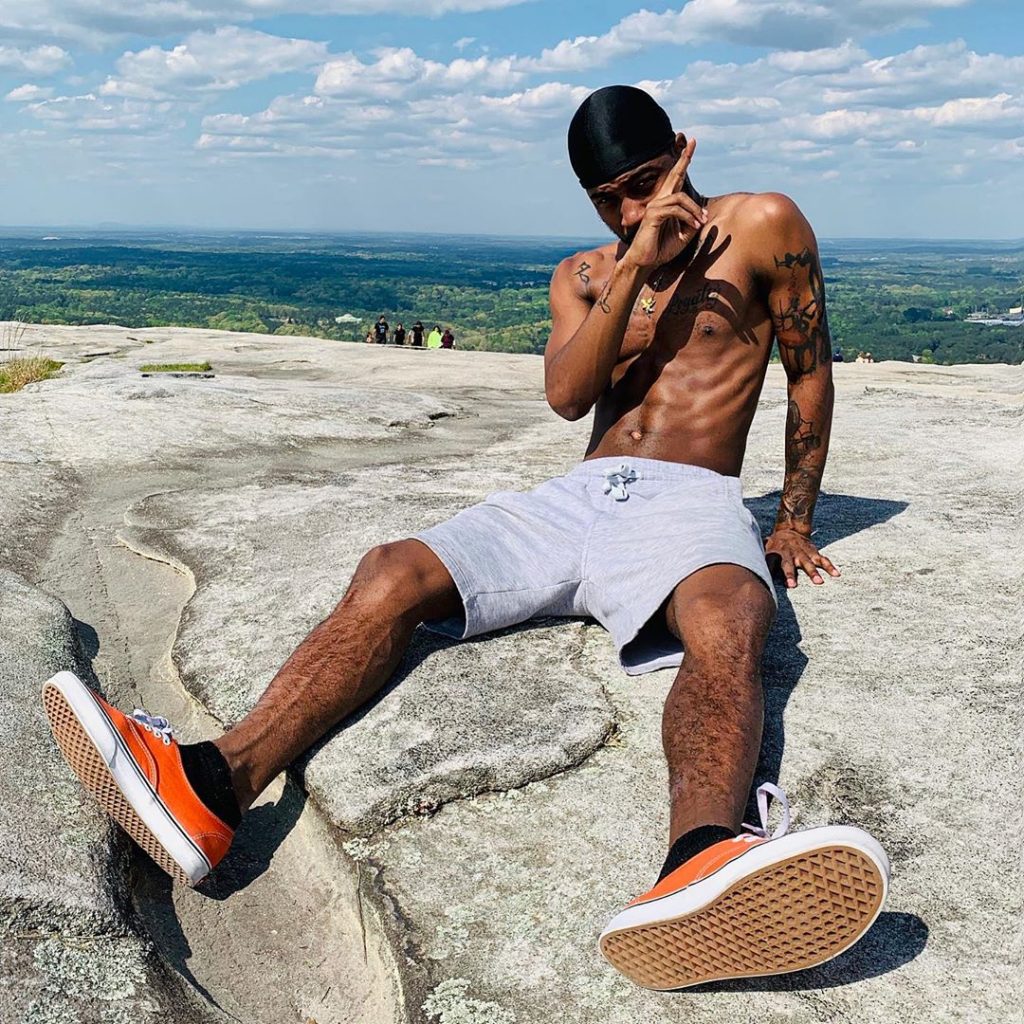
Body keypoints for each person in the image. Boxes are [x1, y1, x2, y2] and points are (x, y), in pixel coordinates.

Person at [42, 85, 889, 993]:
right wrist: (637, 262)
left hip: (690, 494)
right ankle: (213, 786)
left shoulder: (760, 225)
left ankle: (704, 856)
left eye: (645, 184)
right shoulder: (586, 273)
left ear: (683, 151)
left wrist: (792, 520)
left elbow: (809, 373)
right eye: (607, 199)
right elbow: (567, 395)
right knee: (392, 569)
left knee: (731, 618)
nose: (628, 211)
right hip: (580, 495)